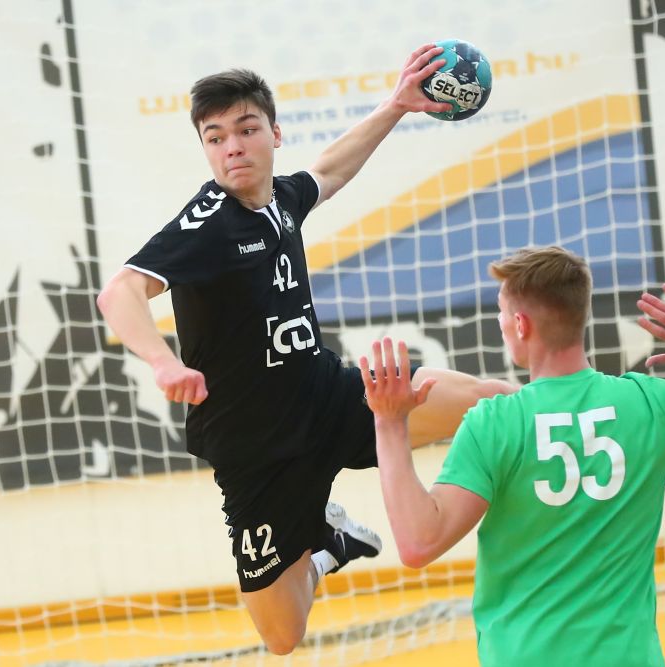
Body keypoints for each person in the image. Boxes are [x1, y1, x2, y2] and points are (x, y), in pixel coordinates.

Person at [95, 44, 516, 655]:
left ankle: (609, 468)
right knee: (282, 636)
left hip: (331, 398)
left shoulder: (282, 199)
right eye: (215, 138)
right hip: (256, 450)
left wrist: (397, 105)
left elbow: (332, 170)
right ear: (206, 149)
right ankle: (326, 547)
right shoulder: (208, 223)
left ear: (274, 134)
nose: (233, 147)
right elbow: (120, 292)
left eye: (246, 129)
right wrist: (163, 362)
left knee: (492, 403)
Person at [359, 245, 665, 667]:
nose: (499, 323)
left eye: (501, 312)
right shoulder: (653, 404)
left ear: (521, 325)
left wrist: (390, 422)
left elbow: (419, 543)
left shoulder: (494, 422)